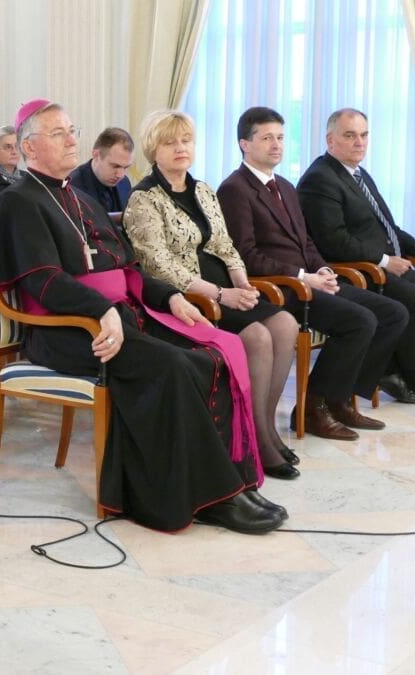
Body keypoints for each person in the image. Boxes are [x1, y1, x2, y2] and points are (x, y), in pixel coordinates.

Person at [0, 99, 285, 534]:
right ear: (29, 147)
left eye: (72, 130)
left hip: (115, 319)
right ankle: (210, 498)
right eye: (58, 133)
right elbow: (44, 281)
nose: (72, 140)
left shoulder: (81, 198)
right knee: (174, 366)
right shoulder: (16, 202)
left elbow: (127, 269)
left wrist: (170, 297)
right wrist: (101, 309)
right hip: (67, 331)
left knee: (209, 356)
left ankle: (231, 483)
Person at [124, 110, 300, 480]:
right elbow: (159, 267)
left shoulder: (203, 190)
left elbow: (224, 245)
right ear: (153, 149)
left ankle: (265, 426)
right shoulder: (143, 199)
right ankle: (256, 440)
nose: (180, 148)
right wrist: (221, 295)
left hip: (224, 287)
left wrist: (242, 284)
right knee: (257, 336)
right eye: (170, 142)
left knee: (285, 323)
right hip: (189, 298)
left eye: (186, 140)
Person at [217, 107, 407, 439]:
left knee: (392, 313)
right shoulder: (234, 189)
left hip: (309, 281)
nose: (276, 145)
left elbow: (305, 241)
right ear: (244, 144)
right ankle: (312, 408)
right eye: (267, 138)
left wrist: (323, 269)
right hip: (281, 289)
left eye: (280, 137)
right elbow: (246, 256)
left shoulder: (285, 186)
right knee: (360, 321)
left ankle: (338, 399)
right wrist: (304, 277)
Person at [297, 108, 415, 404]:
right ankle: (413, 375)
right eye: (350, 135)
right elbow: (333, 241)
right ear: (331, 140)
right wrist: (384, 261)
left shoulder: (358, 173)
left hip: (382, 265)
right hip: (358, 270)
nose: (360, 142)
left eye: (364, 135)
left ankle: (392, 370)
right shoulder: (320, 179)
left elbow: (386, 225)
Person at [69, 127, 135, 213]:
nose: (121, 175)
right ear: (96, 155)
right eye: (115, 166)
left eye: (125, 167)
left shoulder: (125, 183)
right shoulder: (72, 187)